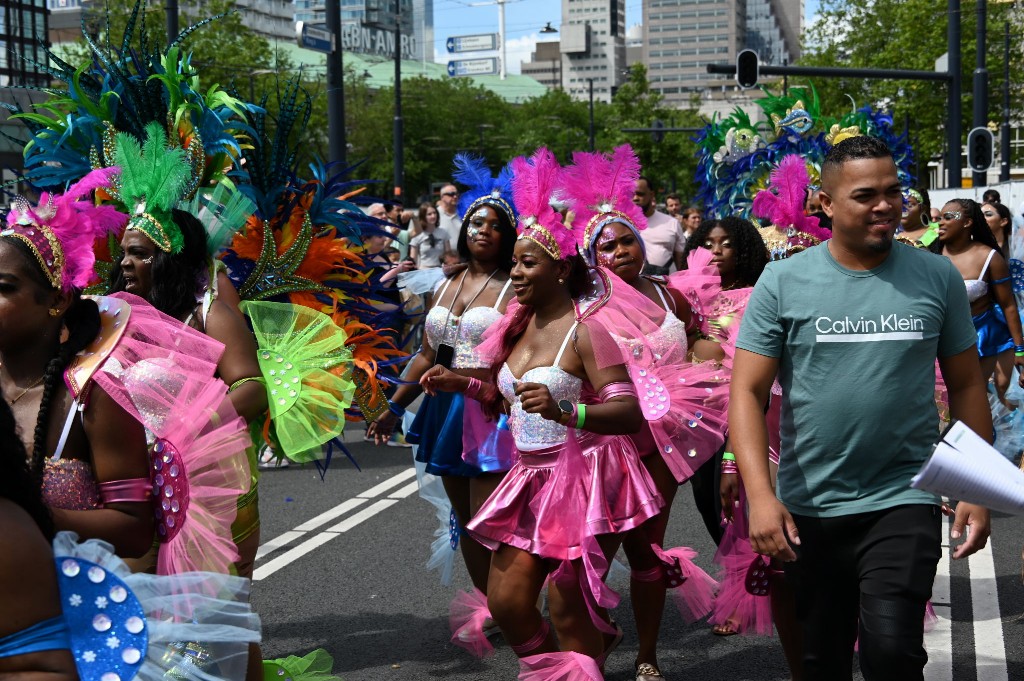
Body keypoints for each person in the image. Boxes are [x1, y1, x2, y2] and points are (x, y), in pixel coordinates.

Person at [730, 135, 992, 680]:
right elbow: (748, 394)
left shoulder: (937, 276)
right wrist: (760, 495)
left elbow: (968, 384)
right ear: (825, 204)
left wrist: (976, 485)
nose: (885, 206)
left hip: (904, 496)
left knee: (893, 652)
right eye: (866, 194)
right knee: (821, 660)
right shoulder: (782, 281)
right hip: (811, 506)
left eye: (893, 191)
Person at [421, 148, 663, 677]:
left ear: (560, 268)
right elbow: (502, 397)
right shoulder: (513, 325)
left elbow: (627, 413)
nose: (517, 273)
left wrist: (569, 412)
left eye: (527, 264)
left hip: (579, 478)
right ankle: (561, 666)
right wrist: (457, 381)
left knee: (565, 605)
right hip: (527, 475)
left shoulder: (587, 329)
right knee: (505, 602)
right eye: (516, 264)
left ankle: (582, 660)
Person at [565, 145, 724, 681]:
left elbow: (702, 340)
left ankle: (648, 655)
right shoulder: (582, 310)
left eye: (627, 239)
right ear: (593, 257)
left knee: (648, 548)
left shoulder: (671, 294)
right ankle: (593, 649)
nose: (620, 250)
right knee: (596, 548)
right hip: (608, 441)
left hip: (667, 434)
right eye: (606, 245)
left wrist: (710, 366)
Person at [367, 153, 518, 653]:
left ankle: (517, 602)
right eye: (476, 221)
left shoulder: (516, 289)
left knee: (492, 517)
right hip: (444, 411)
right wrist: (394, 406)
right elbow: (428, 353)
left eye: (495, 225)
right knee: (467, 522)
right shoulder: (447, 283)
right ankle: (495, 605)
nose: (482, 230)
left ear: (508, 236)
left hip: (489, 412)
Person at [935, 198, 1024, 402]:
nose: (940, 222)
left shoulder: (990, 257)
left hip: (980, 340)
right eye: (940, 217)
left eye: (948, 217)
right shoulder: (932, 256)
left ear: (967, 222)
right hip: (938, 340)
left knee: (971, 398)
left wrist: (1020, 350)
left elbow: (1008, 305)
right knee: (941, 404)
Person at [633, 176, 686, 275]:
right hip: (631, 288)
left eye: (640, 194)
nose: (635, 198)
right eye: (631, 194)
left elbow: (681, 265)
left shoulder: (672, 223)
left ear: (651, 194)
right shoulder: (621, 224)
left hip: (666, 285)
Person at [409, 201, 452, 269]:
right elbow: (412, 260)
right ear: (423, 217)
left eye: (434, 213)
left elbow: (449, 257)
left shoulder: (444, 233)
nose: (433, 216)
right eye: (429, 214)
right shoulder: (417, 235)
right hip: (423, 271)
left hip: (441, 271)